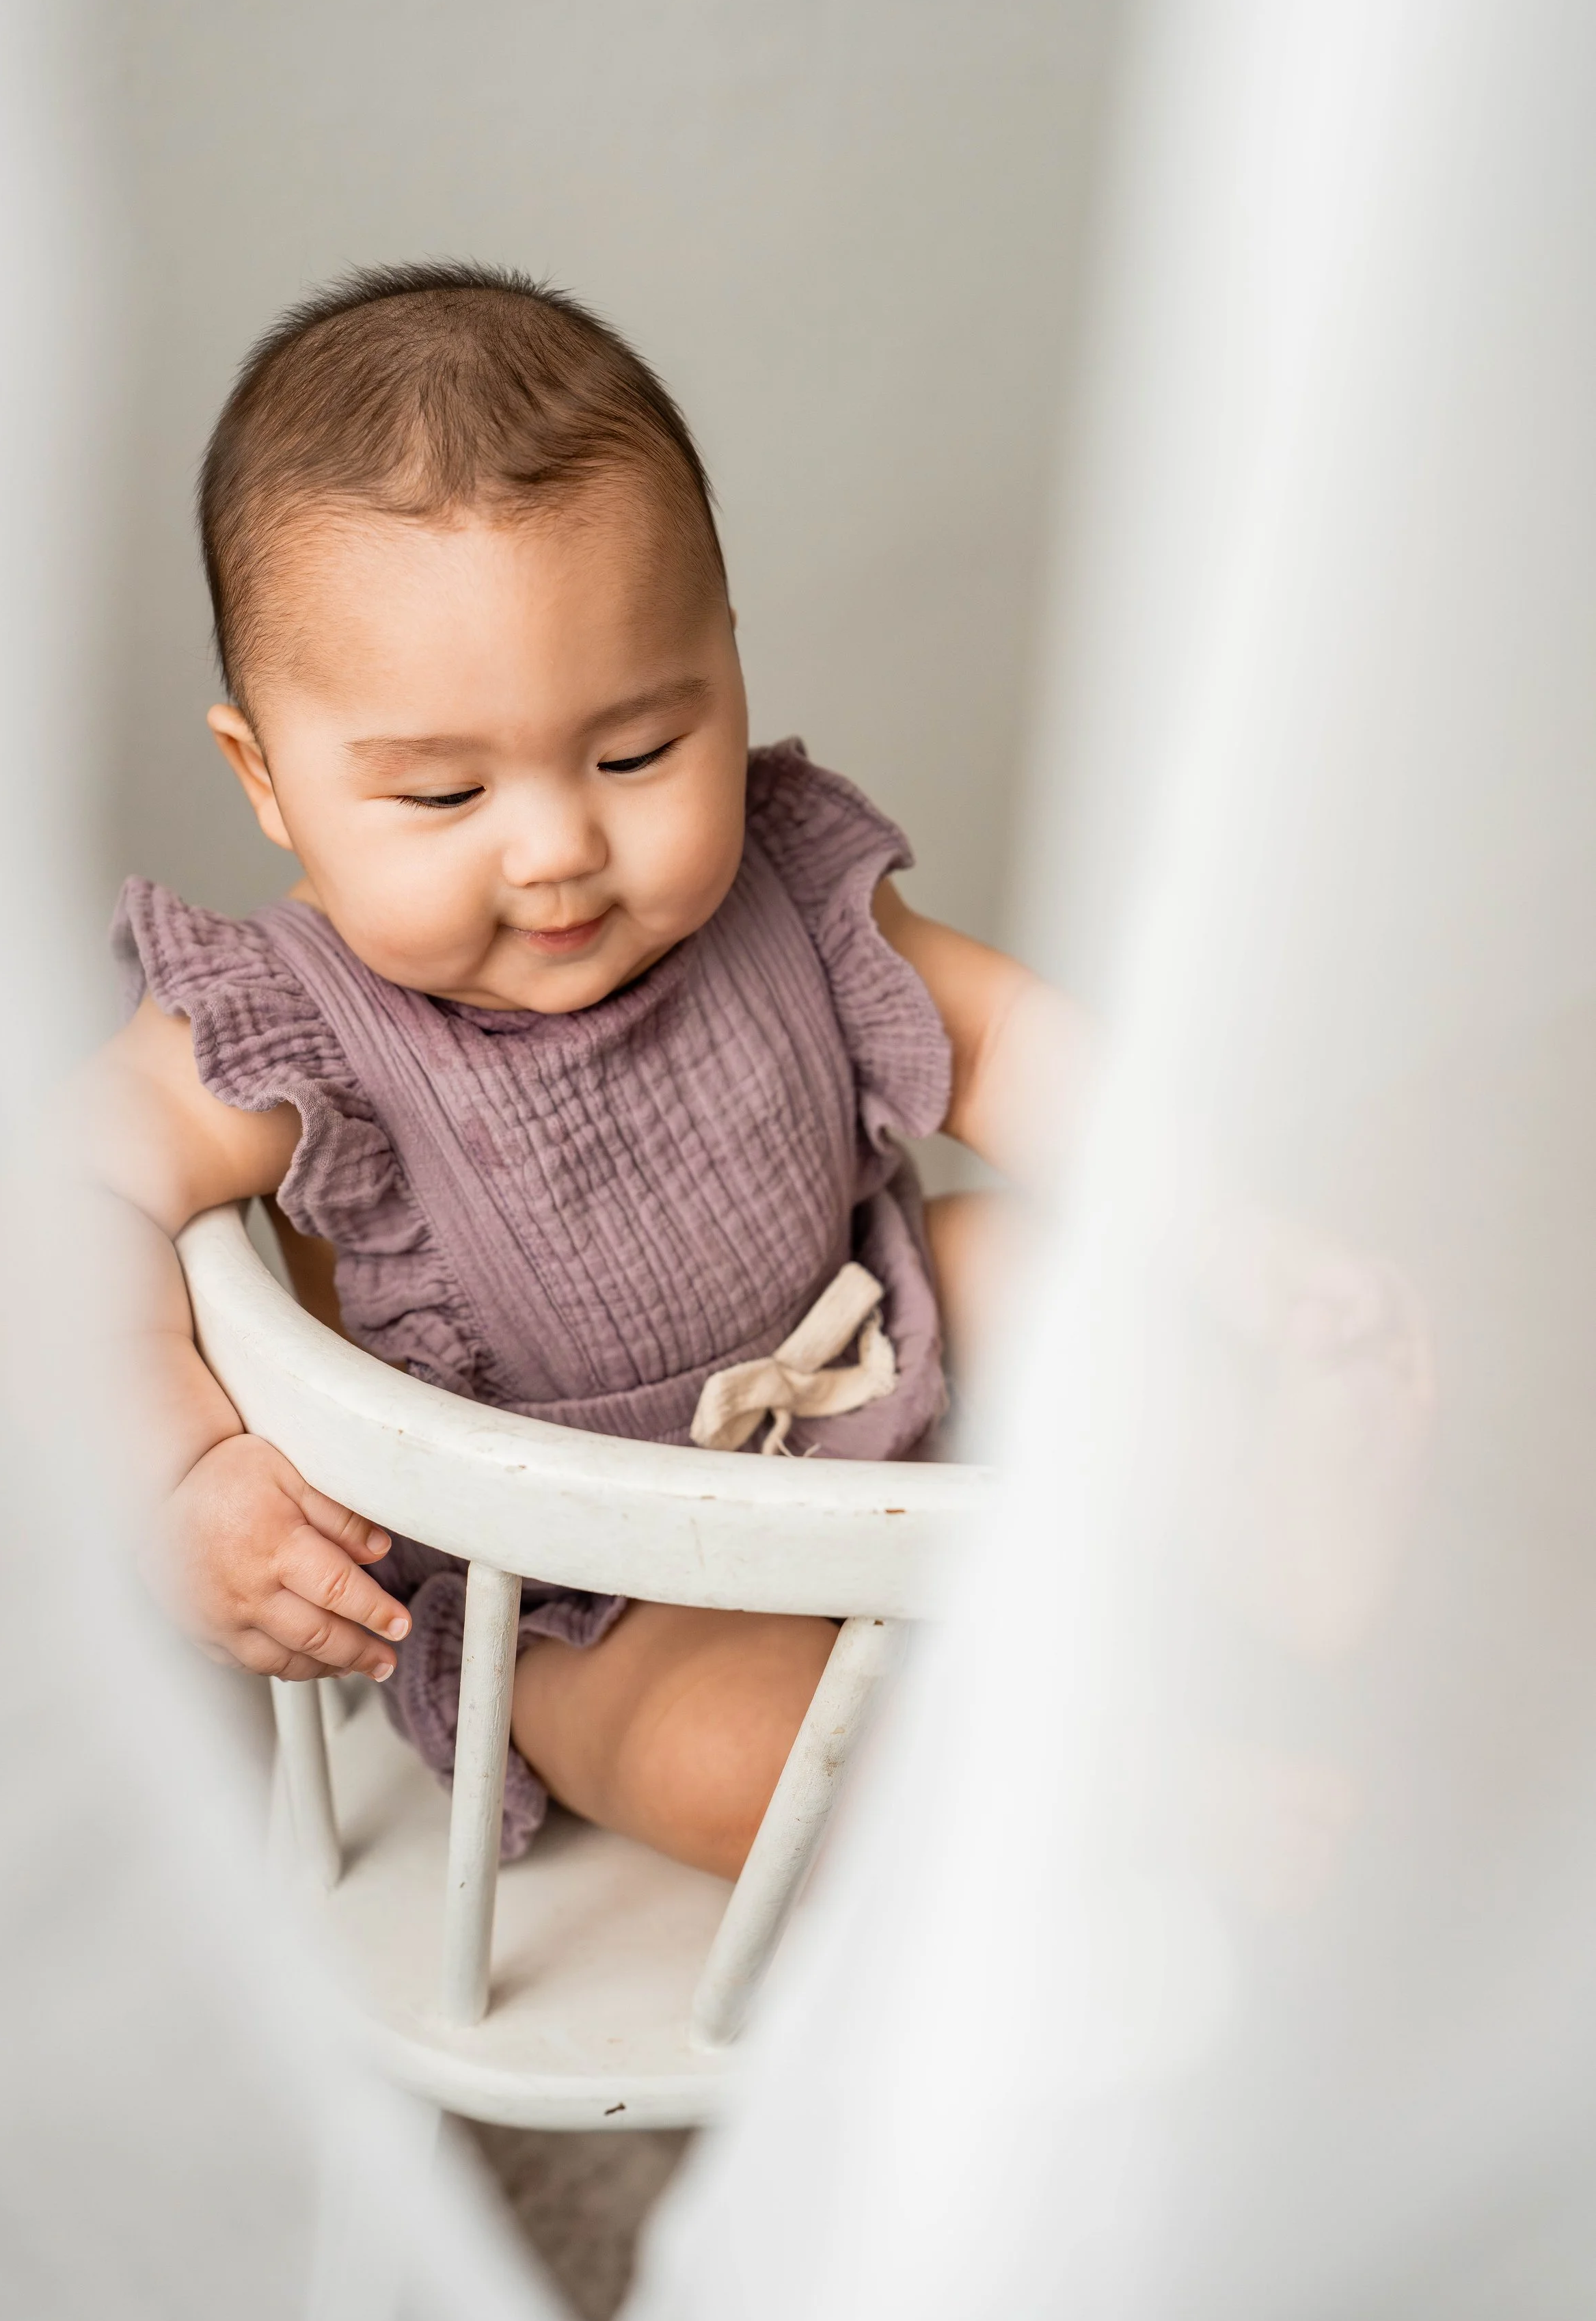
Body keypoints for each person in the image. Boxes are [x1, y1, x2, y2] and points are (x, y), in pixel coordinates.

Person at [81, 265, 1088, 1879]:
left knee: (1075, 1276)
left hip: (868, 1377)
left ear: (727, 668)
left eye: (635, 753)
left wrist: (1203, 1200)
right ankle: (1082, 1804)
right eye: (439, 796)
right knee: (761, 1758)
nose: (557, 847)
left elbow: (995, 1036)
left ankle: (1243, 1599)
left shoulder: (783, 872)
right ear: (265, 778)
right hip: (581, 1600)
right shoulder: (279, 1025)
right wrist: (181, 1465)